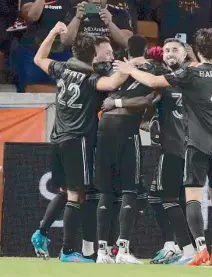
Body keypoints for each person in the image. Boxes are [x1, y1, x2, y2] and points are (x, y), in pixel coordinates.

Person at [113, 28, 212, 266]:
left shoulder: (191, 73)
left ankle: (200, 249)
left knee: (192, 199)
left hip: (197, 146)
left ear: (195, 51)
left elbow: (154, 81)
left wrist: (130, 69)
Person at [33, 22, 129, 262]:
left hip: (57, 138)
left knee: (66, 191)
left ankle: (41, 232)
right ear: (93, 56)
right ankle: (67, 252)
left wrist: (53, 32)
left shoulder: (62, 69)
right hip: (78, 140)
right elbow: (112, 83)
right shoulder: (90, 78)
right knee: (77, 195)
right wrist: (130, 67)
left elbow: (38, 58)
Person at [94, 35, 157, 264]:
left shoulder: (114, 69)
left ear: (126, 52)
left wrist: (115, 101)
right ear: (147, 50)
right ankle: (122, 250)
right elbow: (150, 98)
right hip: (126, 131)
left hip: (103, 129)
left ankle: (102, 252)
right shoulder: (151, 69)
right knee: (130, 189)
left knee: (106, 192)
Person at [148, 38, 196, 265]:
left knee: (166, 199)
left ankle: (184, 248)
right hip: (172, 147)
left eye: (174, 50)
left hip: (179, 148)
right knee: (168, 198)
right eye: (166, 50)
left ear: (185, 54)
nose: (169, 53)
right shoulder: (161, 80)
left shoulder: (190, 77)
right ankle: (176, 245)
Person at [11, 0, 71, 92]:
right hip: (33, 49)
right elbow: (32, 17)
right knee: (30, 87)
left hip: (59, 52)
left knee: (63, 88)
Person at [61, 0, 133, 54]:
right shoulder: (75, 11)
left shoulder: (120, 13)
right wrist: (77, 18)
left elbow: (127, 43)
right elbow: (65, 41)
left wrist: (110, 23)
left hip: (111, 57)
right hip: (82, 57)